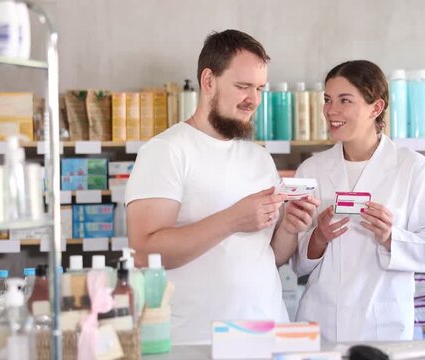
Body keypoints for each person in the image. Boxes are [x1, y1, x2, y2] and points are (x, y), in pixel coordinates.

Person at [125, 29, 319, 344]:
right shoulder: (166, 151)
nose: (253, 99)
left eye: (259, 88)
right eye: (243, 86)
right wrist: (232, 220)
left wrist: (291, 228)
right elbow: (145, 251)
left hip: (269, 333)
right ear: (209, 81)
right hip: (198, 340)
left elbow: (270, 255)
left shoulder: (259, 158)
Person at [291, 60, 425, 342]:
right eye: (328, 100)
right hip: (321, 323)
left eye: (345, 100)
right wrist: (318, 237)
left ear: (376, 108)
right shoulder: (311, 170)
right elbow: (297, 265)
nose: (331, 111)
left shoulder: (412, 167)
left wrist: (391, 237)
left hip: (382, 327)